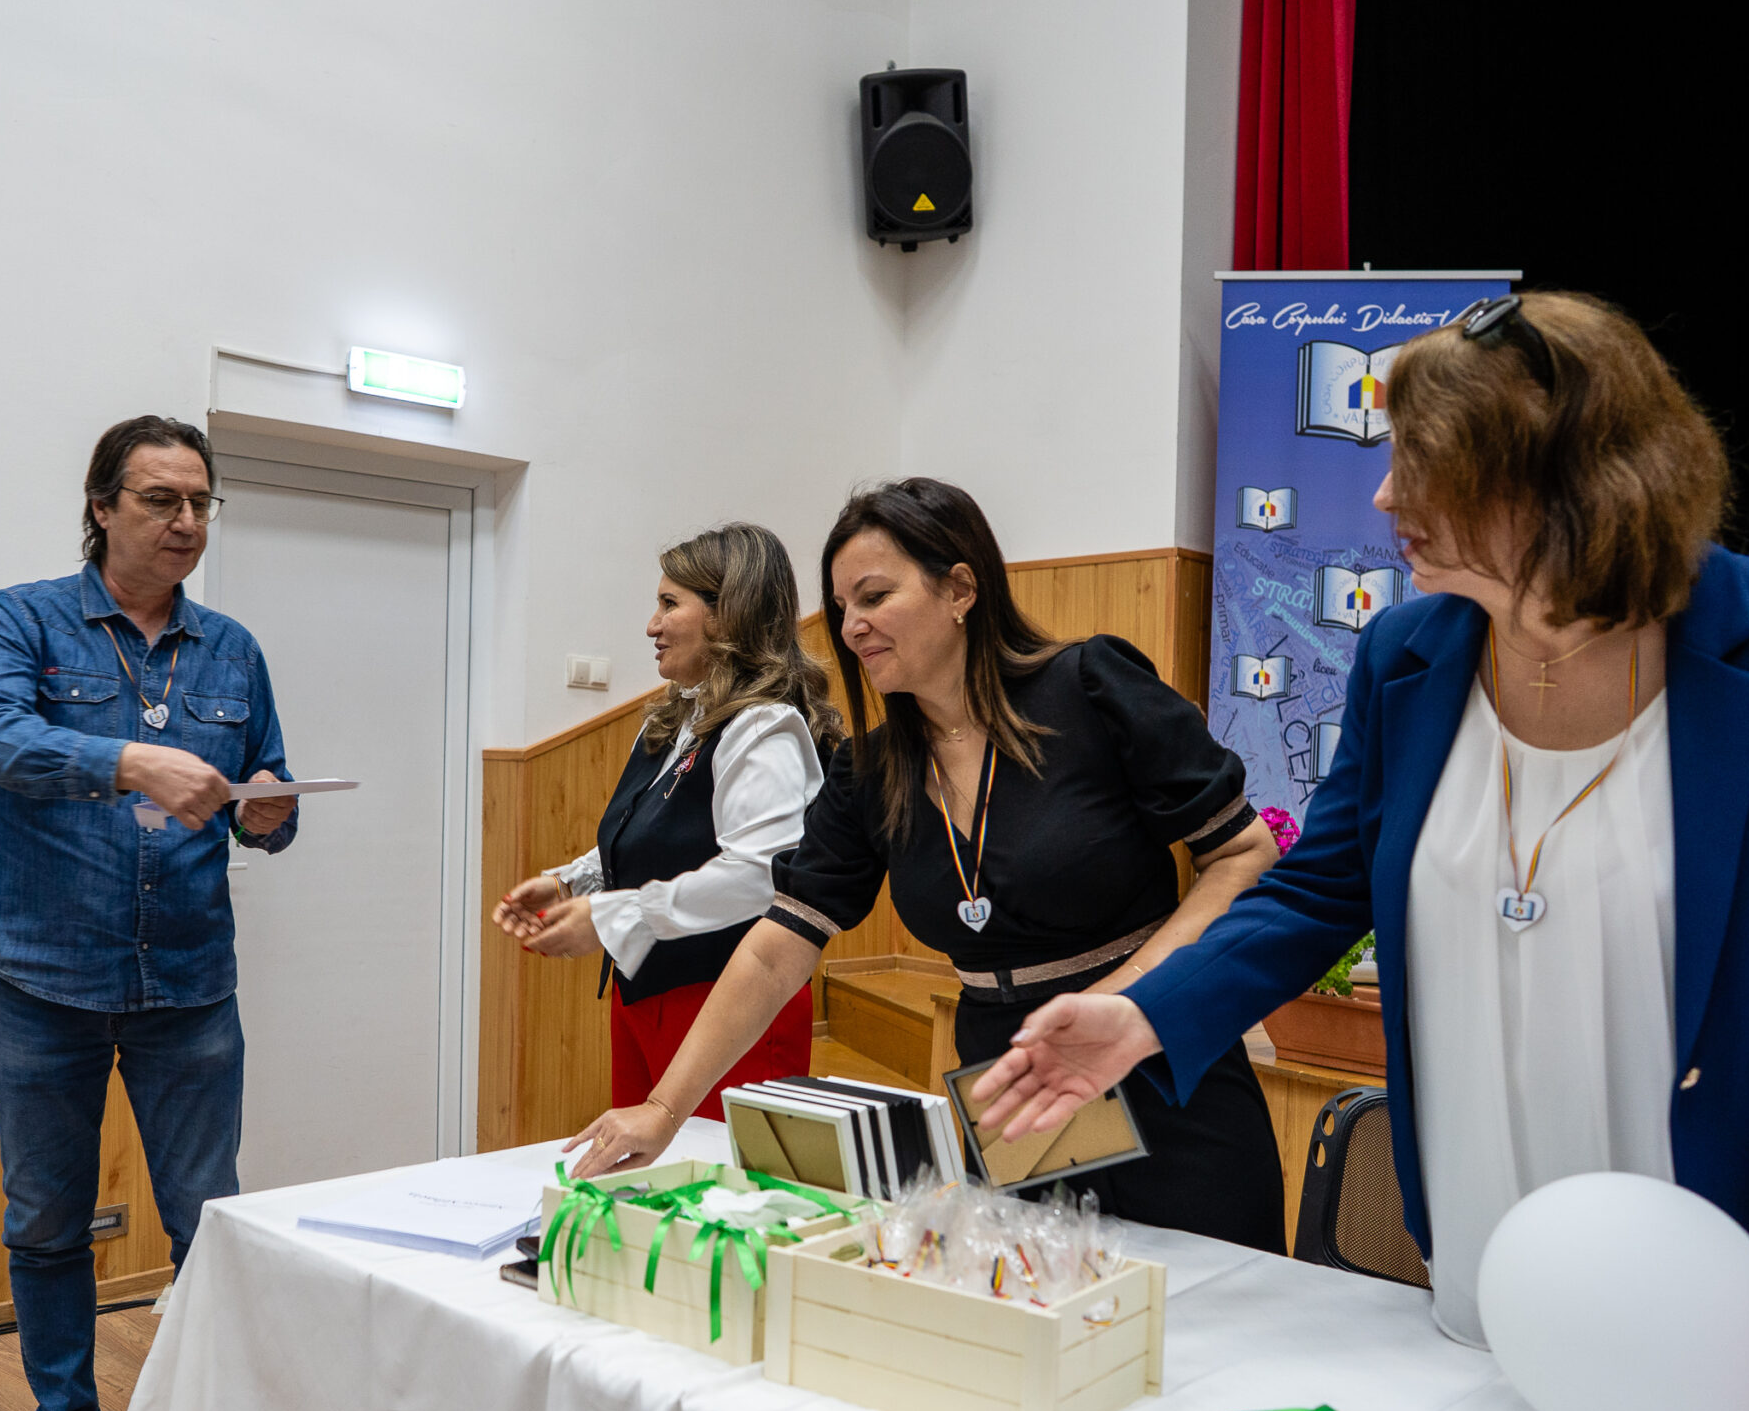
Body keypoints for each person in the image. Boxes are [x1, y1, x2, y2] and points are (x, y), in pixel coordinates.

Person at [976, 291, 1749, 1411]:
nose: (1383, 496)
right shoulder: (1406, 654)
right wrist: (1141, 1019)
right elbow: (1319, 889)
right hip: (1474, 1245)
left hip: (1720, 1274)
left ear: (1558, 476)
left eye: (1421, 463)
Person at [569, 479, 1287, 1250]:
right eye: (841, 606)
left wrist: (1120, 1000)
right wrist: (665, 1109)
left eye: (875, 596)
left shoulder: (1089, 687)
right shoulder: (870, 769)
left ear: (960, 589)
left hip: (1156, 1054)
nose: (852, 625)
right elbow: (779, 946)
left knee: (1212, 1302)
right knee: (1045, 1296)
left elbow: (1244, 853)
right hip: (1012, 1081)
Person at [0, 414, 301, 1411]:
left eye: (200, 502)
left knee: (209, 1221)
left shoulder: (233, 648)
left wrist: (271, 811)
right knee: (46, 1221)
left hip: (188, 984)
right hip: (41, 978)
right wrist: (128, 761)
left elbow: (263, 795)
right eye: (160, 499)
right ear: (102, 506)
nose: (186, 521)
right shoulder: (23, 618)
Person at [495, 523, 842, 1119]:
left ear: (726, 615)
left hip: (731, 1005)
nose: (651, 626)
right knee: (644, 1169)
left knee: (720, 1175)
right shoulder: (672, 719)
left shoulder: (764, 728)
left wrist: (615, 916)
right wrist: (571, 883)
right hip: (643, 996)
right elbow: (653, 836)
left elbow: (761, 874)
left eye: (668, 604)